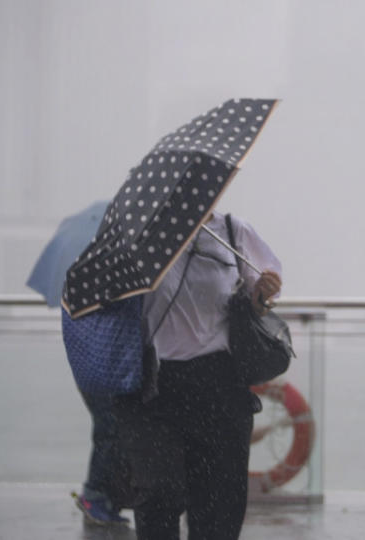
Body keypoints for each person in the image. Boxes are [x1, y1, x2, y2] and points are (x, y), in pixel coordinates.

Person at [115, 211, 282, 540]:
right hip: (155, 385)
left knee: (220, 507)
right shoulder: (142, 235)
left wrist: (263, 295)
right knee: (157, 498)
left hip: (220, 383)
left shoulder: (232, 232)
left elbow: (261, 299)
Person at [72, 392, 132, 525]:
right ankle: (95, 495)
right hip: (106, 383)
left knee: (111, 433)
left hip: (101, 381)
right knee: (110, 433)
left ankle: (104, 497)